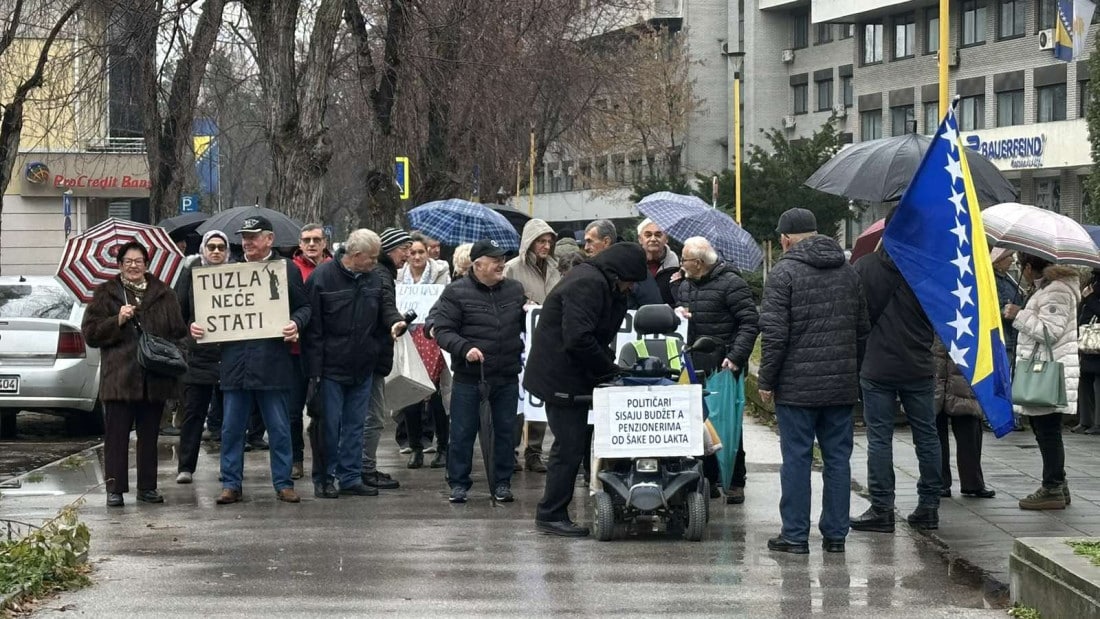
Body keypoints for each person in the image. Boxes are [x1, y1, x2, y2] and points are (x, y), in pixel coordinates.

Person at [757, 208, 869, 554]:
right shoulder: (848, 272)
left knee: (797, 459)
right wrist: (851, 372)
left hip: (797, 389)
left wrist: (766, 380)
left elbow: (775, 336)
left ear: (786, 239)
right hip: (840, 387)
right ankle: (836, 535)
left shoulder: (783, 273)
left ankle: (795, 535)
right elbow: (862, 329)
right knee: (837, 460)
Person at [526, 242, 649, 537]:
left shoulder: (599, 282)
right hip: (561, 377)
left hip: (569, 374)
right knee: (568, 447)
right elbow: (579, 338)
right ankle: (551, 514)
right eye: (631, 280)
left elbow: (592, 334)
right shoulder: (589, 283)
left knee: (573, 444)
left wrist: (608, 366)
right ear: (619, 273)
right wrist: (609, 369)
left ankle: (555, 511)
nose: (632, 287)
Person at [191, 216, 311, 505]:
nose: (247, 241)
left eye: (253, 236)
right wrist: (196, 327)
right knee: (231, 429)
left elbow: (305, 307)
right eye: (244, 236)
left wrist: (296, 323)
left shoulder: (286, 270)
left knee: (279, 428)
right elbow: (206, 313)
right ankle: (231, 483)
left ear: (269, 239)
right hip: (236, 363)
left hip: (273, 363)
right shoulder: (228, 272)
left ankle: (283, 483)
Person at [851, 208, 941, 533]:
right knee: (927, 436)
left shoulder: (865, 267)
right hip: (918, 363)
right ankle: (929, 506)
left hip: (877, 366)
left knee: (879, 437)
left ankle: (882, 509)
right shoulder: (931, 269)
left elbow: (855, 317)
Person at [81, 241, 188, 507]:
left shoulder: (164, 294)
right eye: (128, 261)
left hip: (155, 378)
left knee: (149, 437)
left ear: (146, 264)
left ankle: (147, 488)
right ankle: (114, 489)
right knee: (116, 437)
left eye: (138, 261)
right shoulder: (106, 294)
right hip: (119, 378)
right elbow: (91, 334)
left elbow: (179, 333)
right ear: (119, 265)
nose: (133, 266)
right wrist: (116, 320)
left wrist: (173, 356)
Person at [304, 229, 406, 498]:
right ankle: (324, 479)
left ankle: (350, 477)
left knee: (355, 425)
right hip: (330, 368)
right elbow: (313, 330)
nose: (375, 262)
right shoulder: (322, 278)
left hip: (363, 365)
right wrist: (314, 372)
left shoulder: (374, 278)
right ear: (356, 255)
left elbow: (386, 306)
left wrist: (395, 322)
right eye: (372, 257)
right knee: (328, 426)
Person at [428, 239, 526, 504]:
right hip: (470, 377)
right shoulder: (456, 292)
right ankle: (459, 484)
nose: (501, 264)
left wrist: (530, 313)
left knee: (505, 431)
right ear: (478, 265)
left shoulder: (515, 290)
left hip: (506, 375)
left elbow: (525, 325)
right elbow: (443, 331)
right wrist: (465, 348)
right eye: (495, 260)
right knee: (462, 432)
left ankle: (502, 482)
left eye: (502, 259)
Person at [672, 236, 758, 504]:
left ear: (698, 263)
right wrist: (679, 313)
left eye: (684, 259)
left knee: (728, 425)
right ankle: (709, 479)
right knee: (701, 423)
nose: (681, 263)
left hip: (724, 366)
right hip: (695, 364)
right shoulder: (685, 285)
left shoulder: (732, 284)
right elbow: (683, 318)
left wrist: (735, 356)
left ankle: (735, 481)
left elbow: (749, 322)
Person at [1012, 253, 1080, 510]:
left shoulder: (1056, 290)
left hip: (1048, 373)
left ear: (1030, 267)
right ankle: (1058, 484)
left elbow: (1050, 332)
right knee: (1044, 429)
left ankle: (1052, 486)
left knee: (1048, 430)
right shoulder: (1048, 288)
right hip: (1045, 369)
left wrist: (1019, 315)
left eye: (1022, 266)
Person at [504, 219, 560, 474]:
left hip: (546, 339)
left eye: (549, 241)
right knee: (518, 399)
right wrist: (522, 306)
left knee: (539, 397)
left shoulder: (555, 268)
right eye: (541, 241)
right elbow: (503, 300)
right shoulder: (512, 268)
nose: (546, 246)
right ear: (529, 242)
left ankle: (534, 452)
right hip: (519, 340)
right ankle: (510, 450)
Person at [359, 227, 413, 490]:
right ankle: (365, 469)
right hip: (372, 356)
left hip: (370, 355)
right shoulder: (381, 275)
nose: (408, 255)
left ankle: (360, 466)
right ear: (389, 249)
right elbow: (385, 306)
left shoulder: (380, 273)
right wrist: (395, 321)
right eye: (404, 249)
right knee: (374, 417)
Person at [175, 230, 230, 484]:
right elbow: (179, 312)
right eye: (212, 247)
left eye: (221, 247)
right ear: (204, 250)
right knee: (193, 413)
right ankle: (186, 466)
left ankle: (229, 468)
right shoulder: (191, 272)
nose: (216, 251)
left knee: (231, 417)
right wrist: (190, 328)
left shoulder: (237, 273)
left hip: (229, 354)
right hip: (198, 356)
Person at [397, 233, 451, 468]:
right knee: (411, 392)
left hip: (433, 336)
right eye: (413, 252)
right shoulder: (399, 276)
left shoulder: (441, 274)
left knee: (437, 393)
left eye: (421, 252)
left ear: (428, 253)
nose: (417, 256)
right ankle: (416, 447)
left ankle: (443, 447)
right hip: (409, 337)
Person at [287, 223, 333, 479]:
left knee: (324, 412)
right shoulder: (289, 269)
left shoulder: (336, 268)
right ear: (300, 244)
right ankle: (296, 459)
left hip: (326, 353)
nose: (312, 244)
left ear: (325, 242)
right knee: (292, 411)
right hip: (294, 351)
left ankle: (324, 461)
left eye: (316, 239)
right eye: (307, 240)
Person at [932, 338, 994, 499]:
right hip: (934, 372)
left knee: (969, 431)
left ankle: (972, 482)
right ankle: (938, 482)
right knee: (934, 435)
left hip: (963, 368)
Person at [631, 218, 680, 308]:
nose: (653, 239)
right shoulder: (630, 266)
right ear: (640, 239)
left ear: (666, 239)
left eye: (658, 235)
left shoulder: (678, 267)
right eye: (648, 235)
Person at [1076, 269, 1100, 435]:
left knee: (1097, 382)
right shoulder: (1092, 283)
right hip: (1087, 338)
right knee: (1084, 379)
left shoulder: (1092, 289)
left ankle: (1097, 423)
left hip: (1095, 339)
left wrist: (1090, 298)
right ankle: (1086, 420)